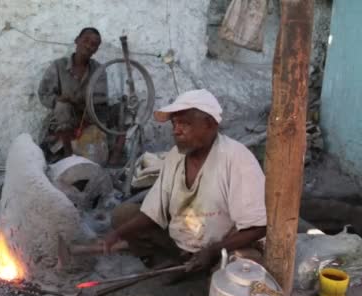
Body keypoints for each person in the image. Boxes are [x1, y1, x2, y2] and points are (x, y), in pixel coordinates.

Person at [103, 89, 267, 272]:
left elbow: (258, 227)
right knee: (123, 215)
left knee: (244, 267)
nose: (176, 130)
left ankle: (201, 274)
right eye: (174, 124)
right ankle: (172, 264)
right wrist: (117, 234)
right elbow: (153, 211)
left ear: (210, 124)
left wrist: (213, 251)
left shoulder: (236, 158)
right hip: (181, 244)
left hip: (221, 249)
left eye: (185, 123)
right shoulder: (175, 156)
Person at [38, 27, 108, 158]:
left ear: (96, 50)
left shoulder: (98, 70)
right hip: (63, 119)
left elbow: (99, 101)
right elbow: (44, 93)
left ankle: (116, 157)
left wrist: (77, 101)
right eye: (86, 40)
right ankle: (67, 154)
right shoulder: (59, 66)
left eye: (94, 45)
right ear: (77, 40)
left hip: (88, 118)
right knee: (63, 106)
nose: (88, 46)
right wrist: (58, 100)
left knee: (124, 109)